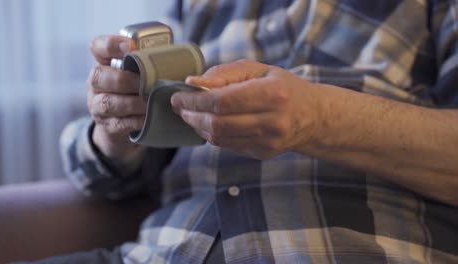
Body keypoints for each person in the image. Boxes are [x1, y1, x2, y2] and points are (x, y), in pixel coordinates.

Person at [32, 0, 458, 263]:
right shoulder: (194, 8)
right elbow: (99, 177)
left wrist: (320, 117)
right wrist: (117, 124)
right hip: (163, 252)